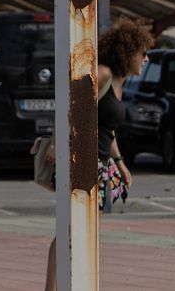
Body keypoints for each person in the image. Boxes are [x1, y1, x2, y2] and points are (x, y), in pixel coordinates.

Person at [42, 19, 154, 291]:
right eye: (143, 53)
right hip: (80, 161)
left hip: (101, 164)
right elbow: (71, 105)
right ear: (128, 53)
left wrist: (120, 162)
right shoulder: (102, 74)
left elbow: (108, 129)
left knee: (83, 228)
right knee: (71, 228)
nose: (146, 59)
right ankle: (52, 287)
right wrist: (56, 144)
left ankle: (74, 282)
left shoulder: (119, 83)